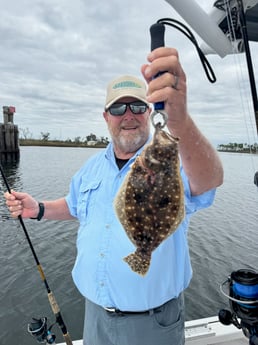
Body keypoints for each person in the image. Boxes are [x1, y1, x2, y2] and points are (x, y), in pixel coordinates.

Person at [4, 47, 223, 345]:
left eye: (137, 107)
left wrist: (180, 120)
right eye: (119, 109)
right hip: (95, 317)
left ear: (148, 112)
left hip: (152, 324)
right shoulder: (91, 168)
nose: (128, 116)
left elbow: (208, 180)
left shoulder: (170, 158)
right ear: (106, 117)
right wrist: (38, 208)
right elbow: (75, 205)